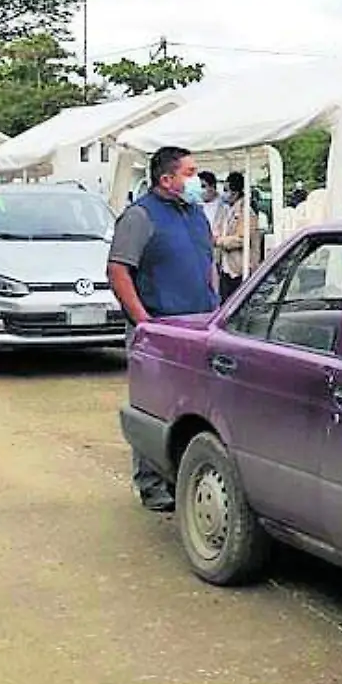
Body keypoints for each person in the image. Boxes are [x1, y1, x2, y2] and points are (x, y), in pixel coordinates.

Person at [108, 146, 219, 511]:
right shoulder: (140, 216)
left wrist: (216, 304)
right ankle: (151, 482)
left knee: (193, 406)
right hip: (159, 328)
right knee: (155, 404)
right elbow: (119, 270)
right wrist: (143, 322)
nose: (196, 180)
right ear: (166, 179)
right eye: (189, 173)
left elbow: (207, 261)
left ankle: (179, 474)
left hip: (199, 326)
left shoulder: (195, 215)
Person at [213, 171, 260, 301]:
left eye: (226, 190)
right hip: (226, 267)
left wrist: (219, 241)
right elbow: (218, 229)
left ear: (235, 192)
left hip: (240, 269)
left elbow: (241, 239)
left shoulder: (246, 211)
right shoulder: (226, 209)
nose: (224, 193)